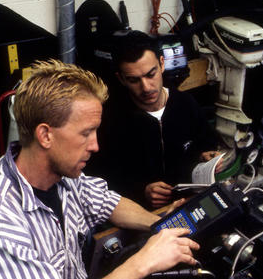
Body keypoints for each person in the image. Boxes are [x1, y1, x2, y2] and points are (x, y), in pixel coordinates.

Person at [0, 59, 200, 279]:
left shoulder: (66, 179)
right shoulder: (5, 217)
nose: (95, 145)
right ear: (45, 135)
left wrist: (160, 225)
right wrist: (145, 260)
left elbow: (109, 202)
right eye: (86, 133)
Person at [85, 31, 221, 209]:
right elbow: (96, 179)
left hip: (188, 203)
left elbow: (206, 144)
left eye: (151, 74)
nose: (146, 87)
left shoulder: (185, 104)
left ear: (162, 64)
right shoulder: (110, 120)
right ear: (121, 79)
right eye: (134, 80)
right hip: (137, 211)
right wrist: (141, 190)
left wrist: (208, 158)